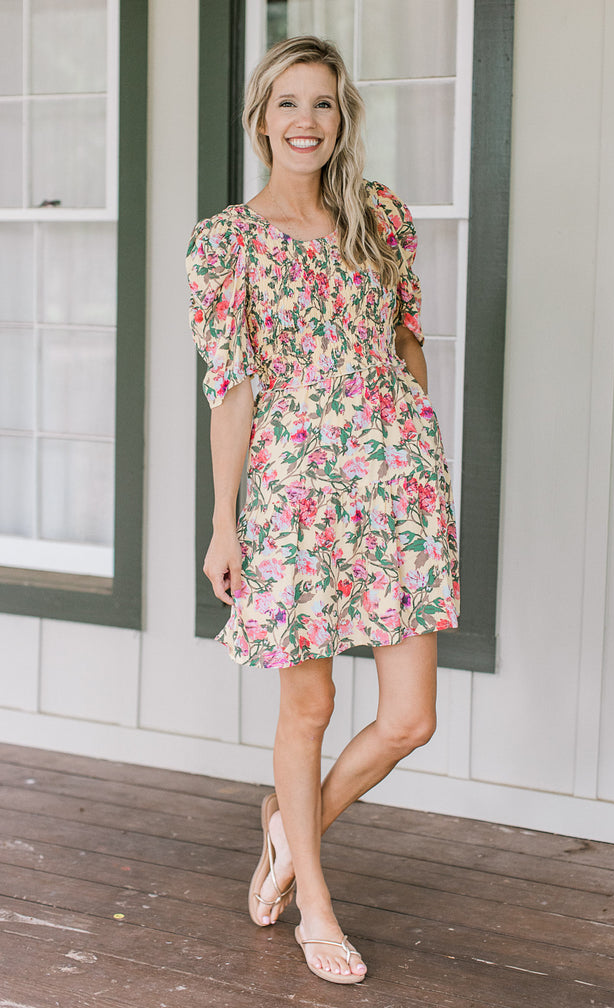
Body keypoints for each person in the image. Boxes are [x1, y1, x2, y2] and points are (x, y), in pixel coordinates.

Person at [186, 35, 460, 986]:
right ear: (261, 118)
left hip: (397, 485)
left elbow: (409, 347)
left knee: (410, 717)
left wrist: (423, 467)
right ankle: (317, 906)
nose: (307, 122)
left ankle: (288, 831)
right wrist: (225, 522)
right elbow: (232, 392)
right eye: (289, 104)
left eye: (325, 105)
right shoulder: (226, 242)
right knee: (310, 706)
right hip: (295, 491)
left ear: (344, 120)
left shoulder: (380, 217)